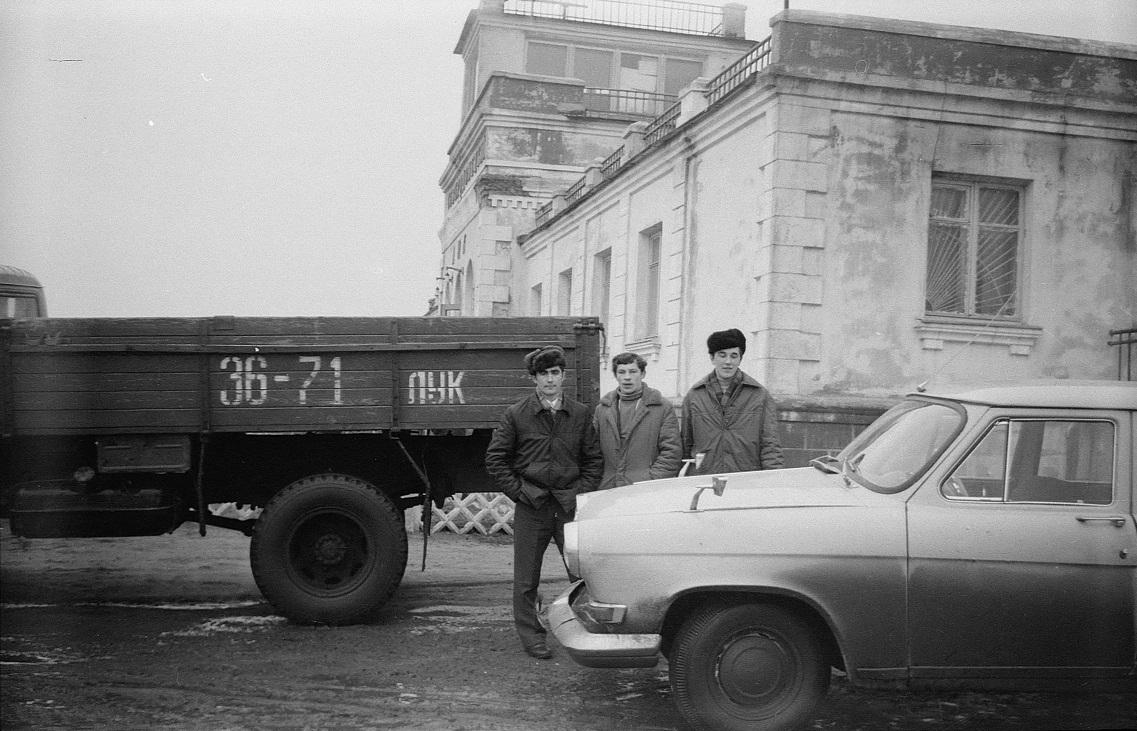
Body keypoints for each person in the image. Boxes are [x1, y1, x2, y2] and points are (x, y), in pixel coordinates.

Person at [484, 345, 602, 660]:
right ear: (533, 378)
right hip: (532, 507)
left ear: (563, 376)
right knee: (526, 579)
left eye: (555, 373)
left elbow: (593, 460)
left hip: (568, 506)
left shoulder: (579, 413)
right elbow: (496, 459)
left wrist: (578, 493)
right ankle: (532, 637)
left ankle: (585, 629)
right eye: (543, 374)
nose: (550, 380)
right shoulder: (516, 414)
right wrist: (520, 492)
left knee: (580, 574)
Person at [682, 328, 784, 474]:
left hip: (746, 477)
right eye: (722, 355)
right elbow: (685, 443)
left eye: (734, 356)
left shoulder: (760, 396)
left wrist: (773, 478)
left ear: (740, 359)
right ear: (712, 358)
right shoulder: (695, 396)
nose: (728, 362)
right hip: (705, 476)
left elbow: (770, 444)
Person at [593, 352, 681, 490]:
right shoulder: (602, 410)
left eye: (633, 371)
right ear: (616, 375)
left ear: (643, 374)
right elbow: (592, 452)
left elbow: (671, 452)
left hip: (645, 490)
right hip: (608, 488)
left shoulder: (662, 408)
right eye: (621, 372)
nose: (627, 377)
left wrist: (651, 481)